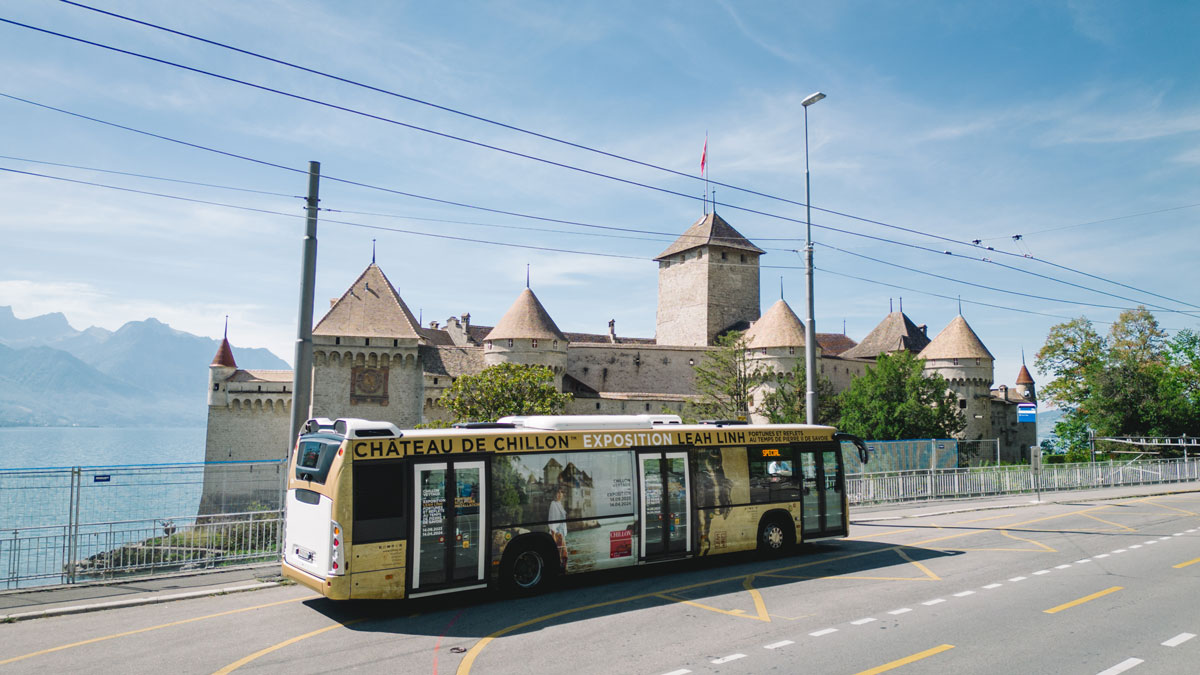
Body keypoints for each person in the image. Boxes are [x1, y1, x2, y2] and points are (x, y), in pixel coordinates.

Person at [548, 485, 568, 569]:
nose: (559, 494)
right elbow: (551, 520)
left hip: (562, 533)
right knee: (563, 555)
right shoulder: (553, 504)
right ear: (555, 494)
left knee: (562, 556)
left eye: (561, 492)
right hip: (558, 534)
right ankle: (560, 571)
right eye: (558, 492)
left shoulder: (560, 504)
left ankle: (561, 570)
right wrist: (554, 536)